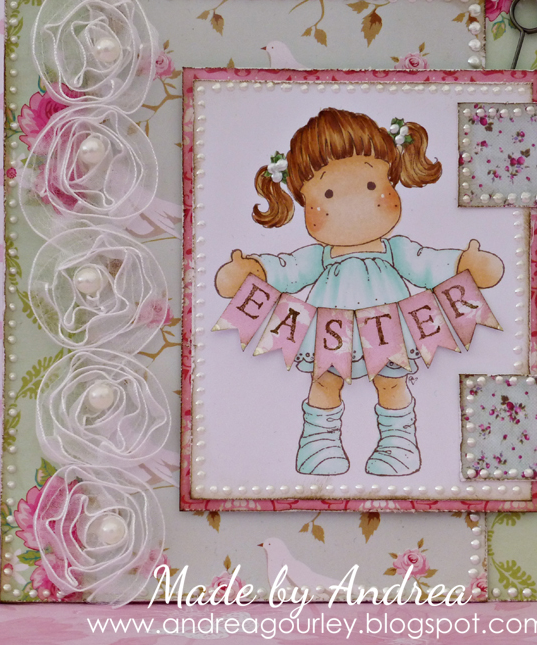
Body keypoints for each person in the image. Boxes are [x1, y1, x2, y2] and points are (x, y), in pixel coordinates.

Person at [215, 108, 503, 477]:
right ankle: (320, 446)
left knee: (391, 383)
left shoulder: (396, 250)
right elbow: (286, 269)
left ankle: (398, 446)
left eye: (370, 186)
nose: (354, 205)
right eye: (328, 193)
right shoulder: (319, 257)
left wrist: (464, 263)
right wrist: (253, 271)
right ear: (303, 201)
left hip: (388, 331)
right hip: (329, 333)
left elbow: (428, 263)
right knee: (324, 382)